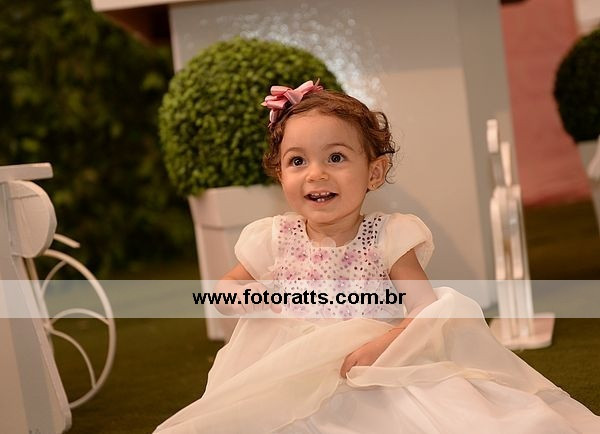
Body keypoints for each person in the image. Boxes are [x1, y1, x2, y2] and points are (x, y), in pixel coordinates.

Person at [155, 81, 600, 433]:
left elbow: (425, 310)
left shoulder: (387, 237)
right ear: (279, 173)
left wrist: (381, 346)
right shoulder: (274, 237)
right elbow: (226, 290)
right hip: (285, 368)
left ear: (374, 171)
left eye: (336, 157)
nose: (316, 174)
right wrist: (253, 298)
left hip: (367, 364)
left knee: (418, 412)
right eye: (297, 161)